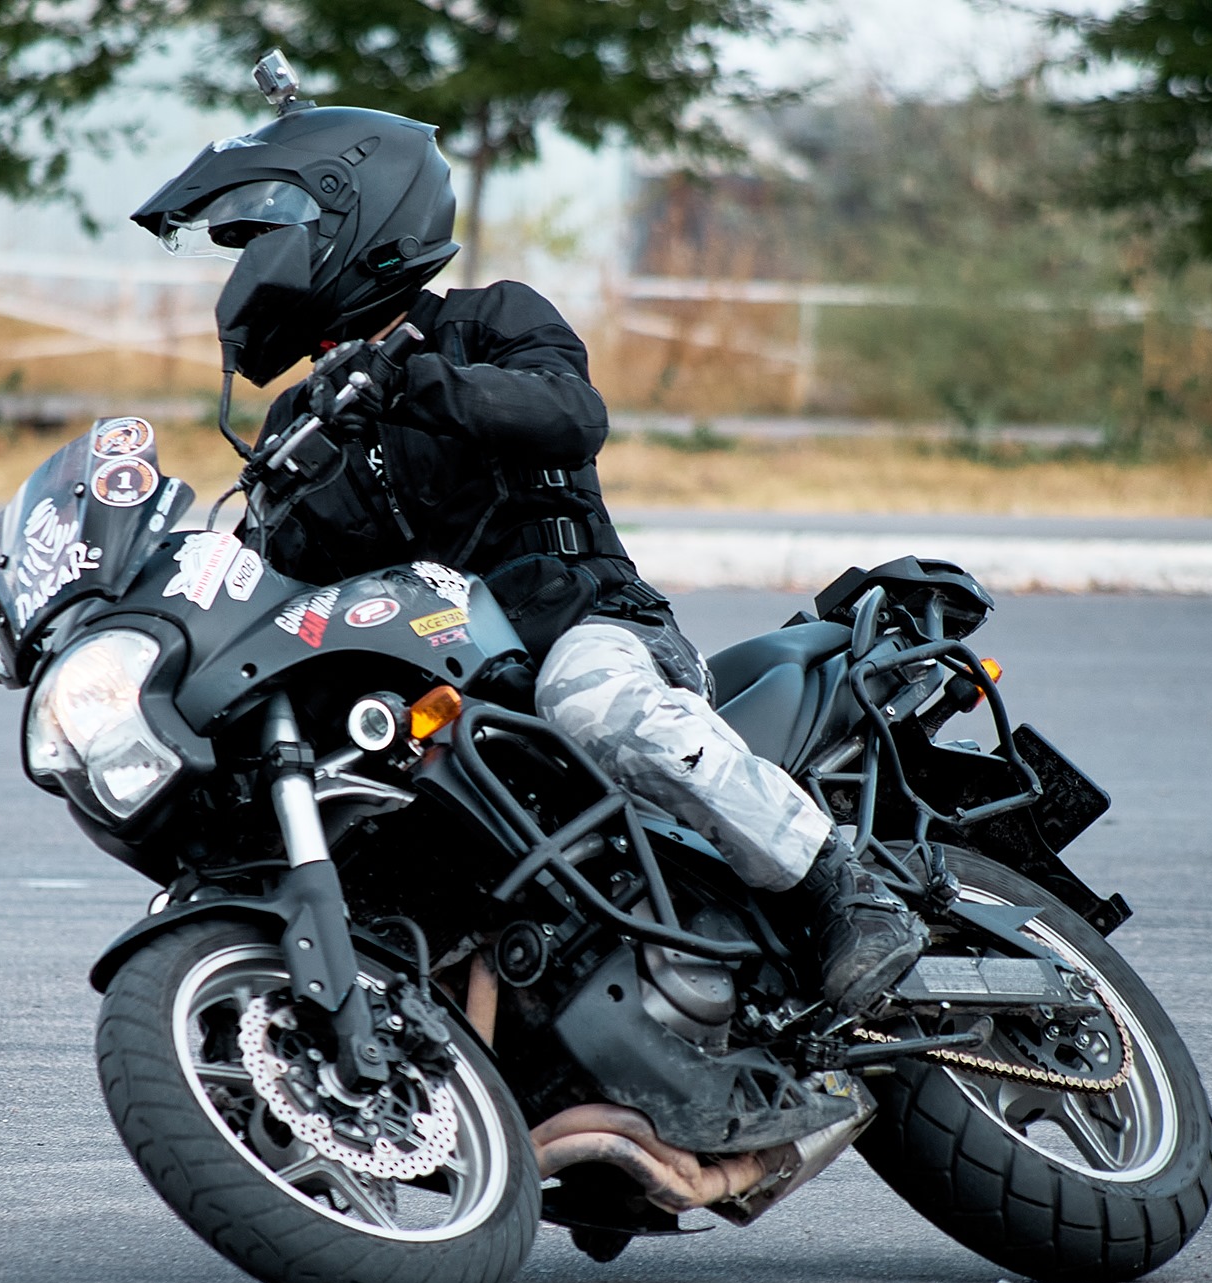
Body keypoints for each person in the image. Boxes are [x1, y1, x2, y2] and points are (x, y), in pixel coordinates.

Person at [131, 93, 924, 1017]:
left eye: (263, 233)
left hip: (590, 632)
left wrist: (414, 381)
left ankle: (842, 883)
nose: (250, 263)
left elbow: (571, 417)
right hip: (445, 692)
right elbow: (267, 579)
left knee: (592, 699)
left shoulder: (488, 322)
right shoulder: (299, 427)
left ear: (353, 221)